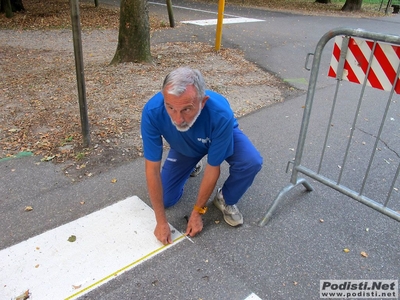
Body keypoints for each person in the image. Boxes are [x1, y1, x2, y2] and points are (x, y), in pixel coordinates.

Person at [141, 67, 263, 245]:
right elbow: (152, 169)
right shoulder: (152, 112)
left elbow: (213, 168)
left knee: (251, 162)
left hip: (217, 134)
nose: (177, 119)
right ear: (163, 97)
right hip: (184, 145)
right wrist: (160, 221)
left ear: (203, 102)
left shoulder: (221, 115)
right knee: (165, 199)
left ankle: (225, 198)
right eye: (170, 108)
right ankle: (191, 163)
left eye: (187, 109)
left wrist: (198, 211)